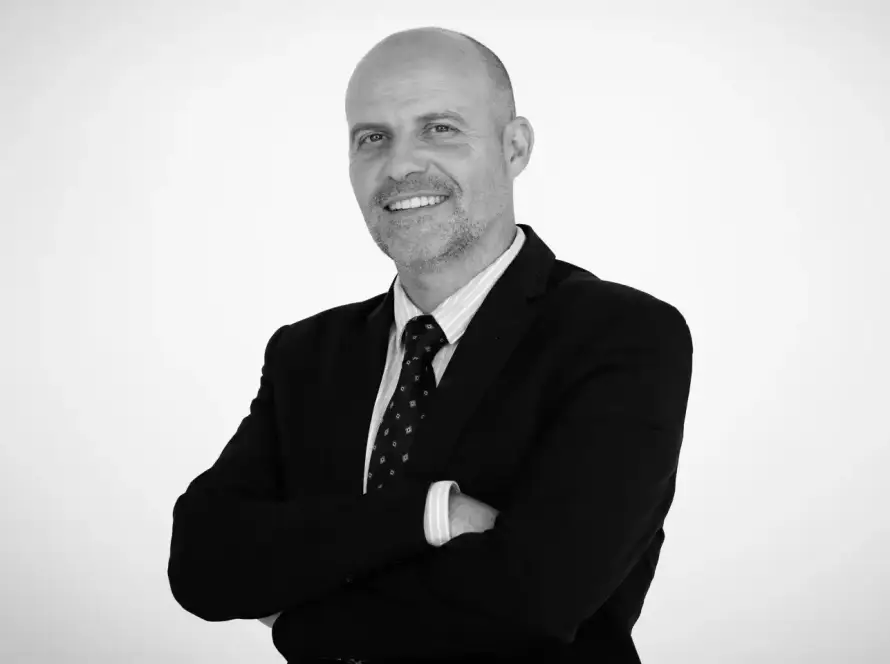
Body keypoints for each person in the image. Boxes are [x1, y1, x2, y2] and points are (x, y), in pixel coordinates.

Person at [167, 26, 693, 664]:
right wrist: (432, 513)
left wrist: (299, 620)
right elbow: (202, 563)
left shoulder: (621, 334)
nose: (399, 166)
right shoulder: (307, 354)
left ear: (515, 146)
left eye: (440, 128)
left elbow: (537, 599)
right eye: (373, 138)